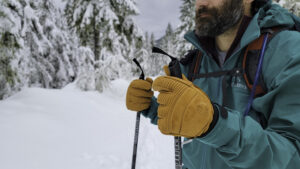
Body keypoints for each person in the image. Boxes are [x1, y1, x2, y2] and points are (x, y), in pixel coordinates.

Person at [126, 0, 300, 168]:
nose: (201, 3)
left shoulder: (286, 50)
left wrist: (214, 125)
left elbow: (292, 156)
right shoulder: (197, 60)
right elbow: (187, 119)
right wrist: (151, 107)